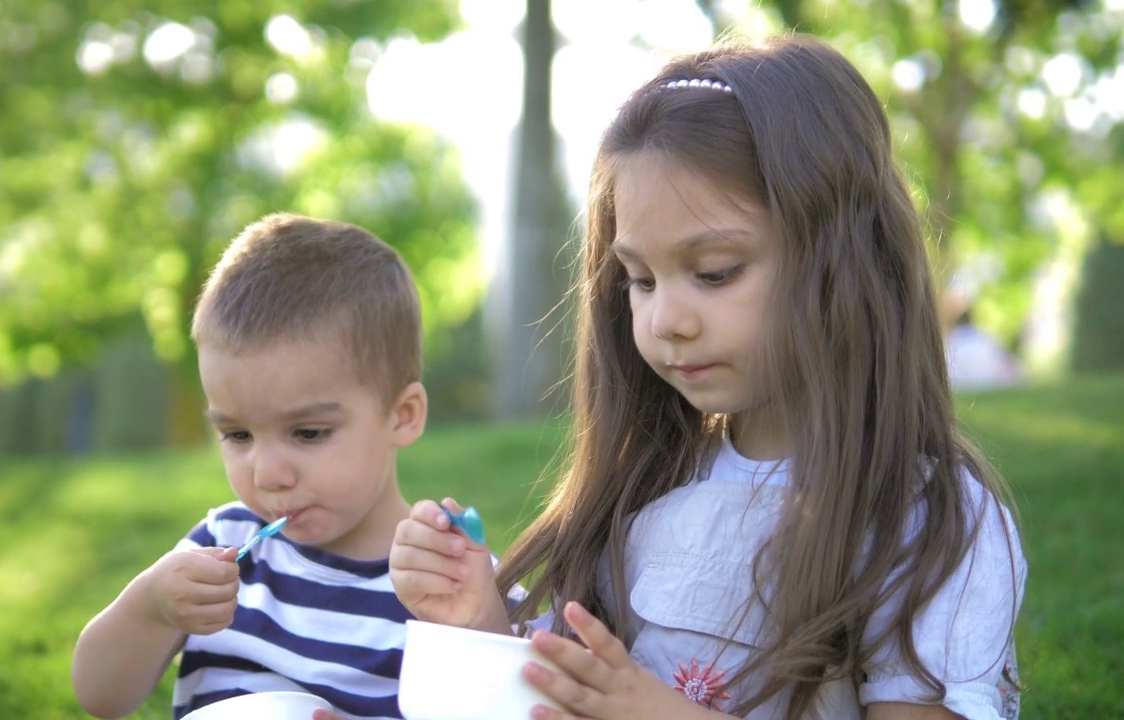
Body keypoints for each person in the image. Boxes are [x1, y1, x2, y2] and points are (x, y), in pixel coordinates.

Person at [390, 35, 1026, 720]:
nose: (667, 319)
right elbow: (568, 695)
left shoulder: (924, 519)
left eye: (714, 271)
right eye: (639, 279)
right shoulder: (650, 484)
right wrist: (480, 618)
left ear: (844, 263)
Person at [72, 213, 429, 720]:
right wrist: (151, 608)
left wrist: (482, 622)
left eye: (308, 433)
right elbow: (99, 697)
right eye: (237, 435)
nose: (266, 474)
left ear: (403, 416)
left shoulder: (447, 578)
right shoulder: (222, 547)